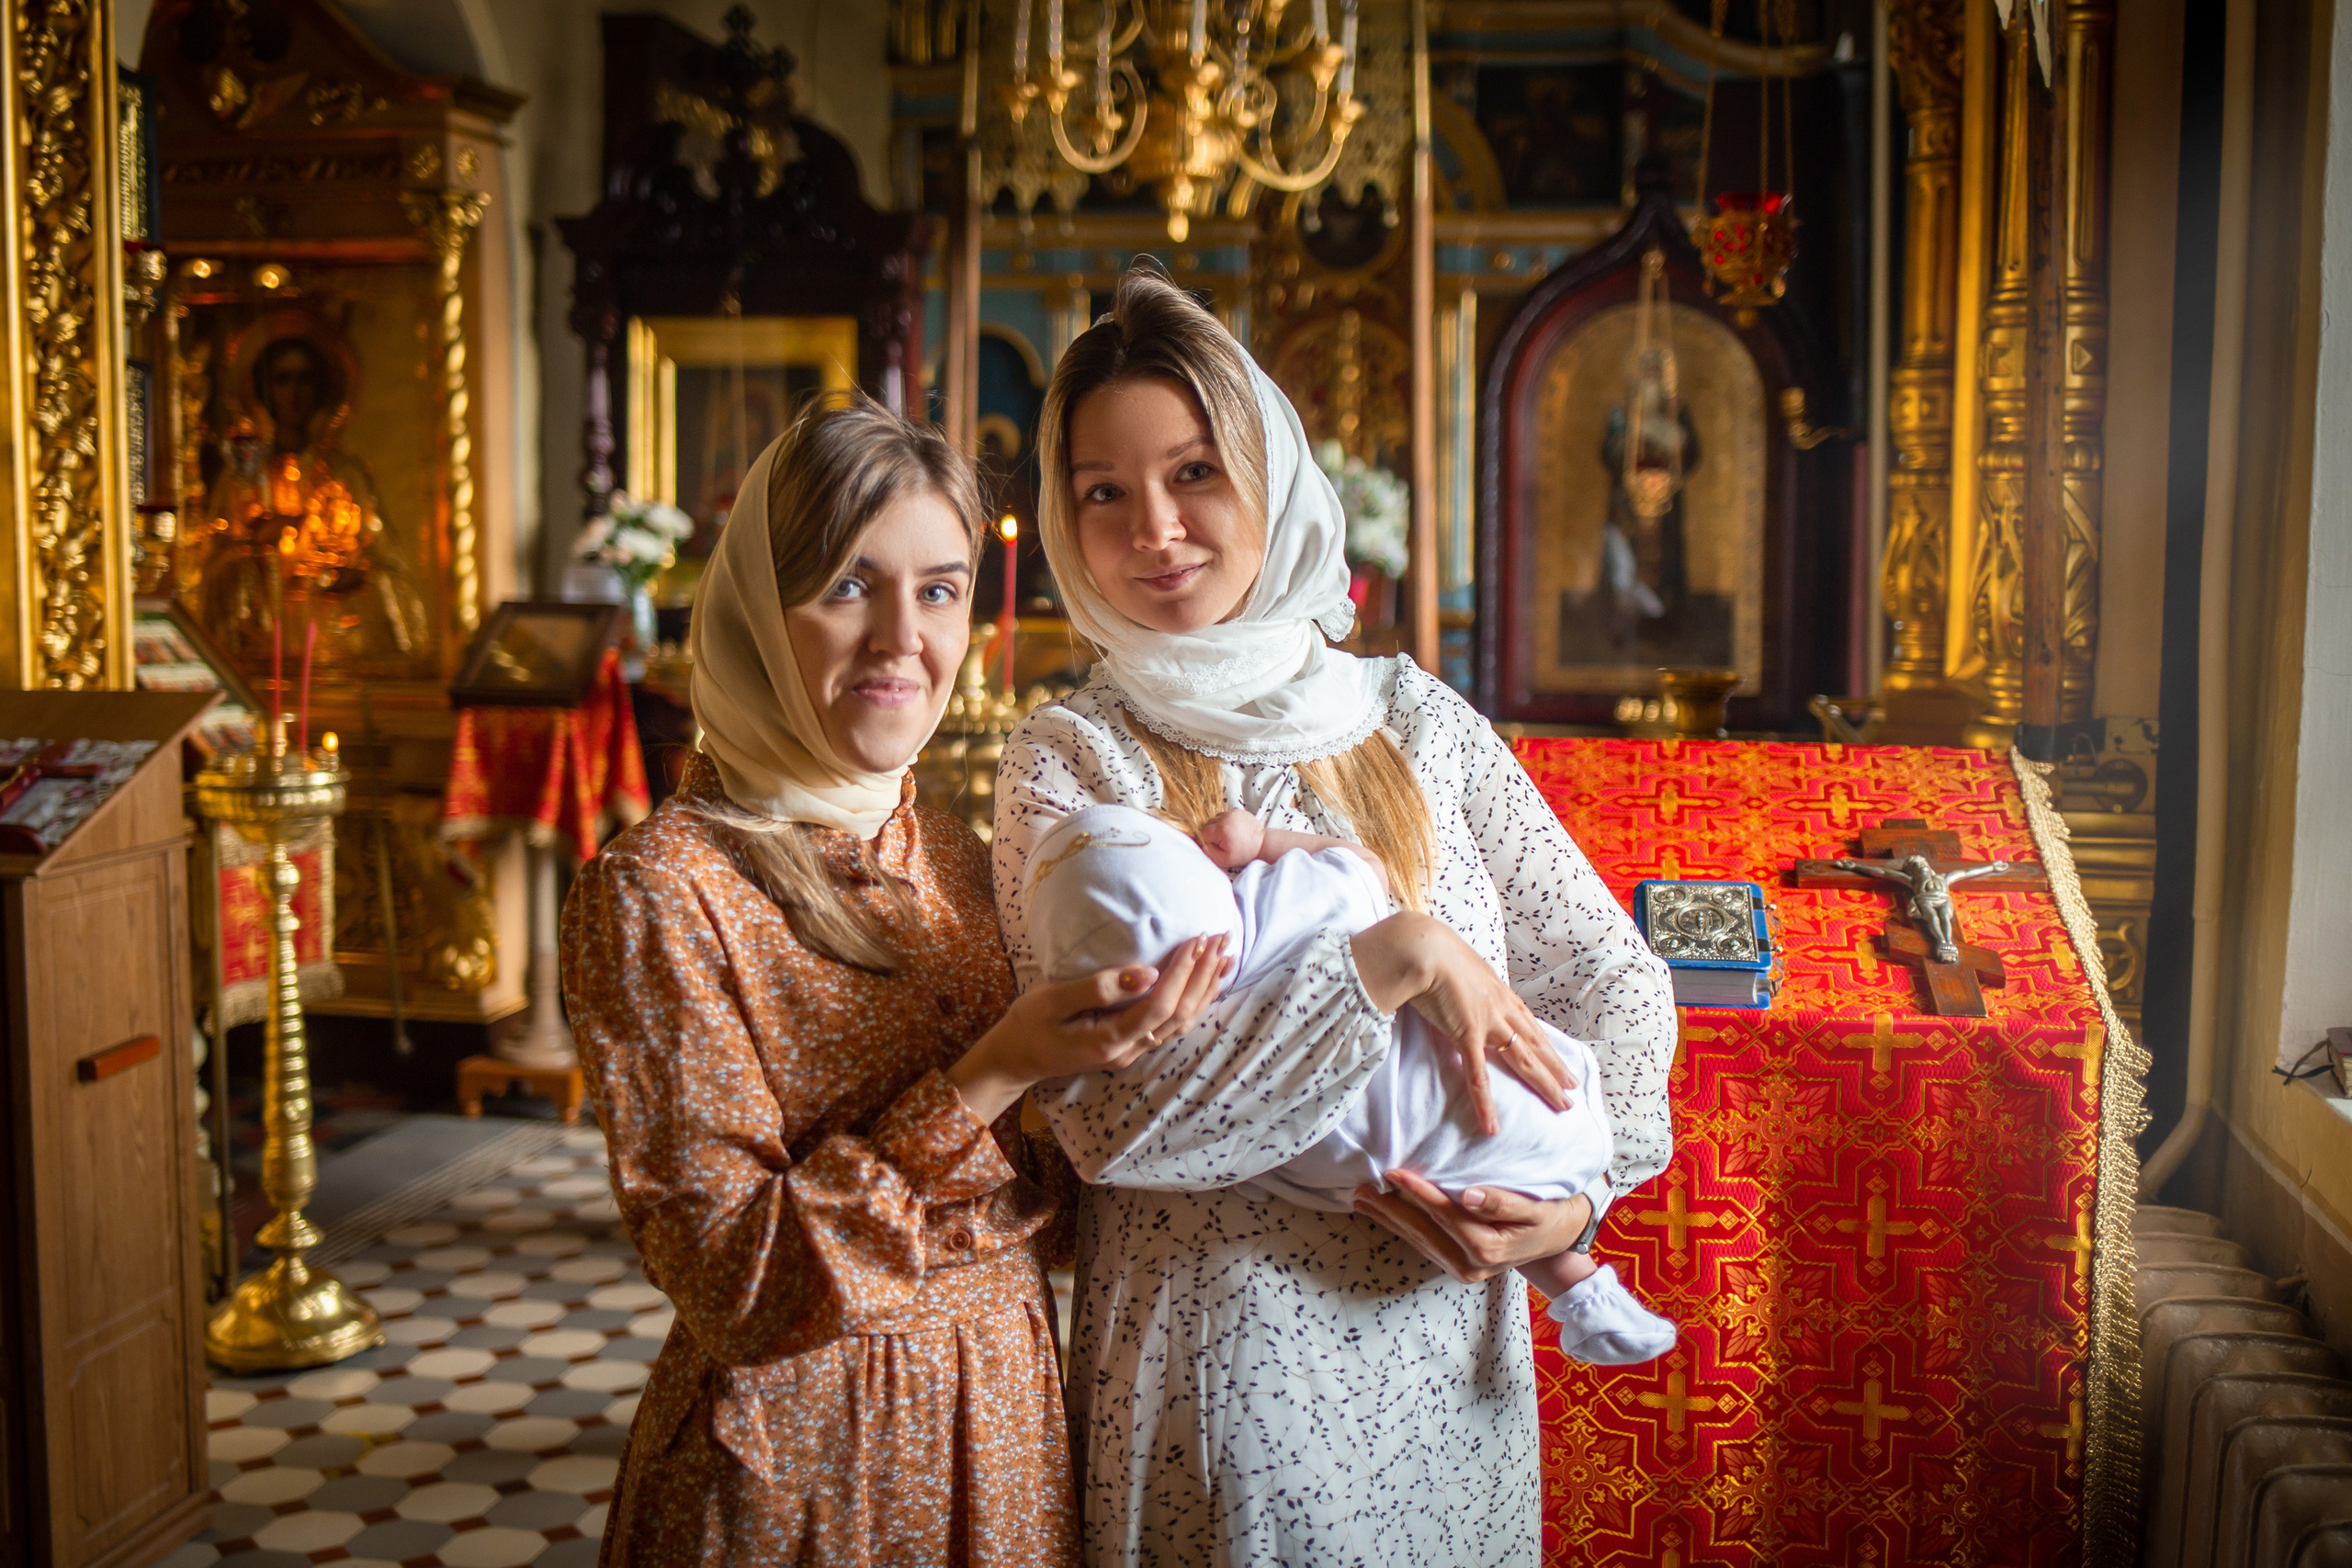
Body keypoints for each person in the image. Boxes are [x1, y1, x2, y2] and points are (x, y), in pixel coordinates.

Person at [993, 269, 1679, 1565]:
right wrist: (1390, 959)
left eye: (1195, 470)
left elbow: (1609, 968)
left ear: (1268, 468)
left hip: (1447, 1361)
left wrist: (1573, 1202)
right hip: (1219, 1365)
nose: (1155, 525)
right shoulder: (1074, 760)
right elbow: (1113, 1112)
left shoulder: (1411, 718)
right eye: (1103, 490)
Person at [560, 399, 1229, 1567]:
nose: (900, 641)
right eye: (846, 586)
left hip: (1008, 1430)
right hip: (809, 1465)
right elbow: (738, 1284)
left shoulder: (965, 861)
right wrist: (998, 1070)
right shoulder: (664, 891)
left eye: (938, 590)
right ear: (760, 610)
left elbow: (1055, 1223)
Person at [1024, 802, 1678, 1365]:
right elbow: (1101, 1125)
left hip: (1441, 1304)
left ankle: (1575, 1276)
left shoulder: (1425, 716)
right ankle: (1581, 1287)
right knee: (1445, 1163)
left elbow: (1618, 971)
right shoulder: (1260, 891)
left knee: (1442, 1170)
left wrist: (1576, 1211)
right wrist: (1278, 854)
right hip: (1225, 1342)